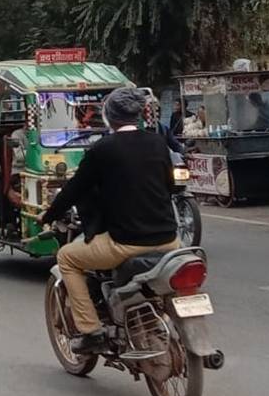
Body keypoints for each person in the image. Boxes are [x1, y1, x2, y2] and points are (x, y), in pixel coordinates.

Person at [40, 87, 179, 354]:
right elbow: (169, 186)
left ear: (108, 117)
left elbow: (74, 189)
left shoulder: (102, 149)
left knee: (67, 258)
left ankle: (91, 331)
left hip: (125, 244)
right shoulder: (157, 143)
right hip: (170, 241)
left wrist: (47, 216)